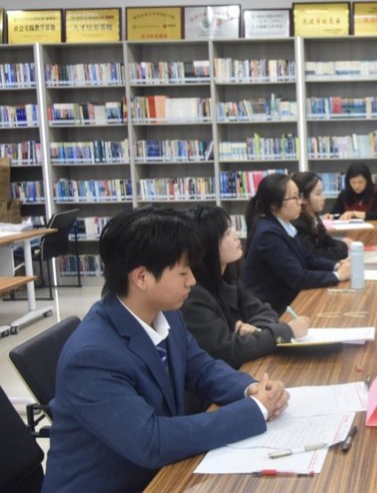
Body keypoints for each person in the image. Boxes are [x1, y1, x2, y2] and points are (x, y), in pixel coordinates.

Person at [42, 207, 289, 493]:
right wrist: (255, 410)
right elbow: (152, 441)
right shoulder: (92, 357)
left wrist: (251, 389)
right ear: (142, 277)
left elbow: (201, 368)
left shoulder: (166, 313)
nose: (192, 281)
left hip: (160, 475)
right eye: (182, 271)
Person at [182, 205, 310, 370]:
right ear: (207, 245)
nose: (236, 235)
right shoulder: (192, 295)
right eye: (227, 233)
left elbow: (266, 311)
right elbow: (227, 351)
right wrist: (286, 331)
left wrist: (254, 330)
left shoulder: (228, 279)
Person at [243, 173, 351, 314]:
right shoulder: (268, 234)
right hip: (272, 309)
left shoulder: (284, 224)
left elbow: (308, 258)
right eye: (294, 198)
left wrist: (336, 266)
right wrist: (338, 276)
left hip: (290, 299)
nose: (300, 202)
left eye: (299, 196)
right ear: (274, 205)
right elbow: (297, 278)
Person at [291, 171, 350, 261]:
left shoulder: (314, 218)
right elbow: (316, 255)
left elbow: (327, 241)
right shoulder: (298, 225)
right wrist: (342, 248)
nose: (323, 198)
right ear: (303, 198)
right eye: (318, 194)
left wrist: (342, 245)